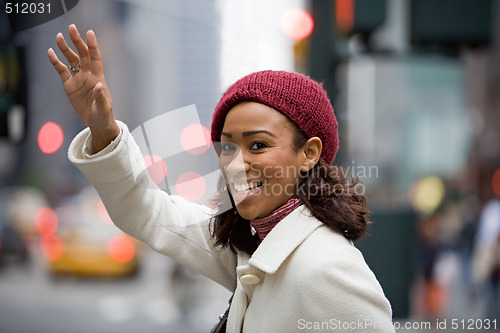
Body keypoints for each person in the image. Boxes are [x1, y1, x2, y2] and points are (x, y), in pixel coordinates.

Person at [48, 24, 395, 332]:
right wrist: (103, 129)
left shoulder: (327, 269)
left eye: (258, 145)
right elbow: (146, 211)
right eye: (227, 148)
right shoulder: (251, 242)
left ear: (309, 153)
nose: (235, 164)